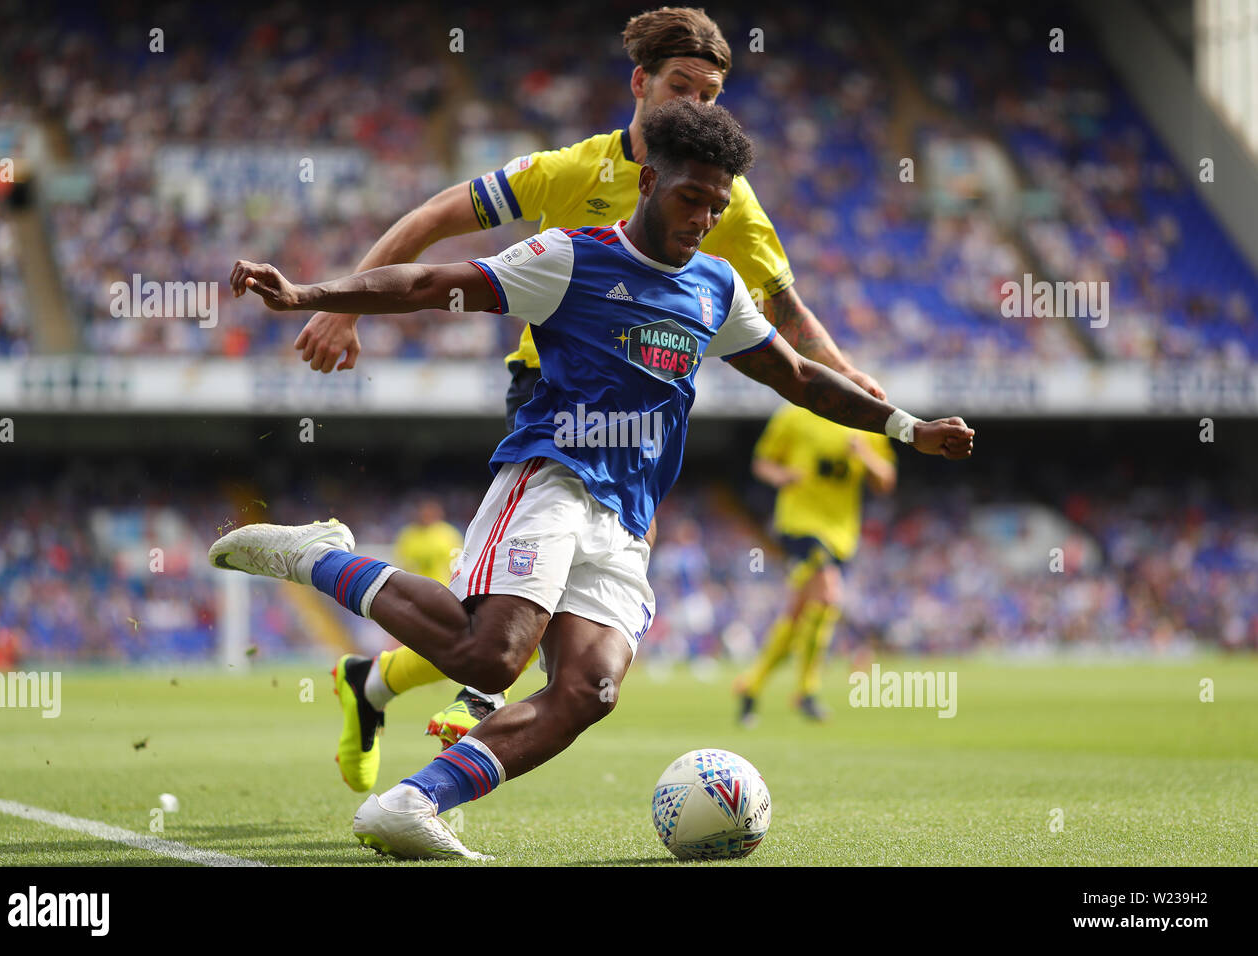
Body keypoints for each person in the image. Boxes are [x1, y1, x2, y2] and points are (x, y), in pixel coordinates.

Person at [212, 100, 973, 860]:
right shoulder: (569, 259)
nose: (704, 218)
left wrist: (907, 426)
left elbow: (803, 378)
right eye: (690, 197)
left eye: (717, 204)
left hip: (627, 517)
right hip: (552, 476)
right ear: (648, 181)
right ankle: (314, 555)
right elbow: (427, 283)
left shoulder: (715, 288)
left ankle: (413, 802)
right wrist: (309, 295)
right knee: (493, 657)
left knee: (590, 690)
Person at [295, 6, 889, 776]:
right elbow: (439, 215)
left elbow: (785, 309)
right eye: (681, 87)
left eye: (709, 95)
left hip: (643, 423)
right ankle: (470, 704)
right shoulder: (571, 171)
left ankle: (371, 682)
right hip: (552, 391)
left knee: (559, 610)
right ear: (640, 84)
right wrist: (341, 307)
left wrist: (848, 377)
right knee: (525, 613)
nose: (694, 107)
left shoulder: (725, 198)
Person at [735, 406, 896, 726]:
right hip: (799, 524)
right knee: (828, 596)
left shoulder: (864, 419)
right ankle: (806, 691)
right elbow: (762, 463)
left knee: (798, 614)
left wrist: (864, 453)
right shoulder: (794, 415)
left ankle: (750, 686)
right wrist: (782, 475)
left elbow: (886, 480)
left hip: (842, 533)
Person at [333, 497, 463, 787]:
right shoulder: (409, 537)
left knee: (456, 642)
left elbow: (456, 562)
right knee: (441, 643)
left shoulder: (448, 535)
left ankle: (475, 693)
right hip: (417, 594)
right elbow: (404, 565)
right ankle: (476, 694)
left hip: (446, 594)